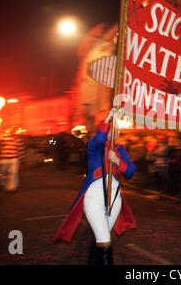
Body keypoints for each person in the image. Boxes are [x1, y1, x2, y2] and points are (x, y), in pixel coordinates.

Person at [53, 108, 136, 265]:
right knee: (105, 240)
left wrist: (118, 162)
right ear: (106, 131)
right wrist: (108, 118)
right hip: (94, 198)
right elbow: (99, 139)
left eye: (118, 129)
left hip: (115, 199)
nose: (117, 132)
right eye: (114, 129)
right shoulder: (94, 147)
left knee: (102, 237)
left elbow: (131, 171)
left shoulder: (121, 150)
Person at [0, 125, 24, 193]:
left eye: (15, 129)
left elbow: (20, 149)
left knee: (13, 174)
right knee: (3, 173)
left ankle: (11, 188)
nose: (13, 130)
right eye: (12, 129)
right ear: (10, 129)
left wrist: (21, 158)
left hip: (14, 159)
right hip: (4, 158)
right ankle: (2, 185)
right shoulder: (5, 136)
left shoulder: (18, 138)